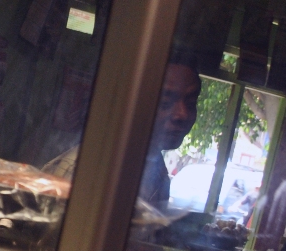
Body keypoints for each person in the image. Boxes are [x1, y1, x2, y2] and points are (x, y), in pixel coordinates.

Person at [43, 59, 201, 210]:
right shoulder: (87, 170)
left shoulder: (156, 169)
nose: (182, 115)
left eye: (190, 103)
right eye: (165, 102)